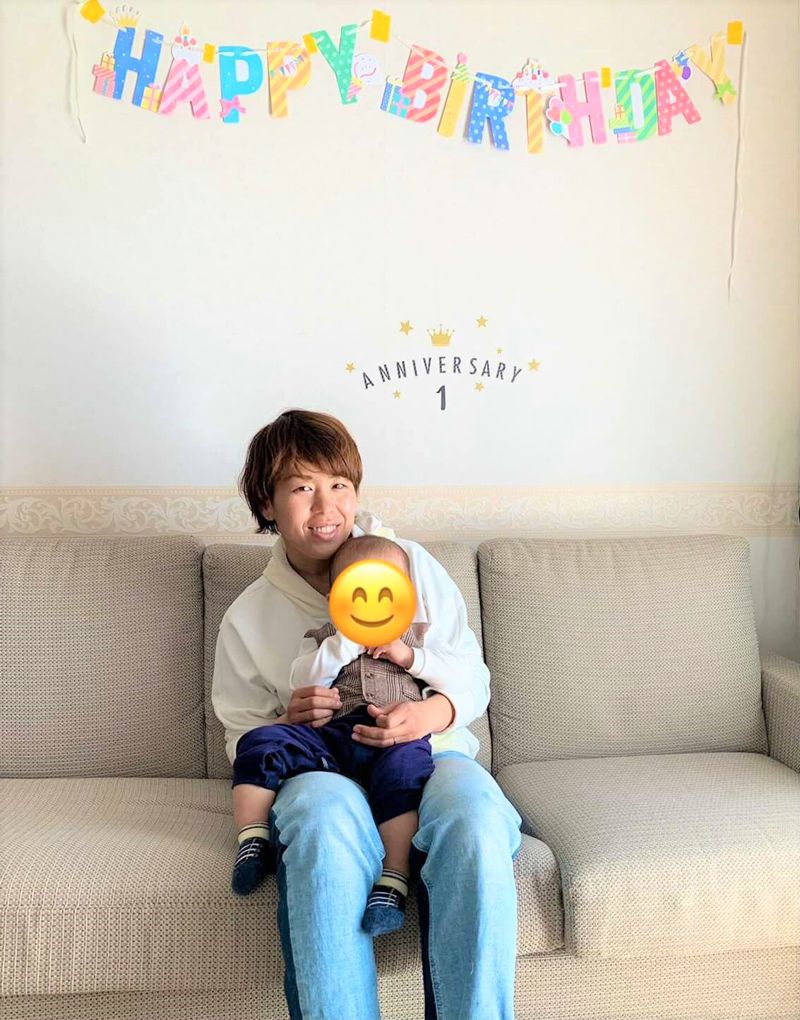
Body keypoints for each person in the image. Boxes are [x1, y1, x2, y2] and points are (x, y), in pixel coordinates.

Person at [211, 408, 523, 1020]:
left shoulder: (411, 566)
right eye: (302, 488)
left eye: (339, 485)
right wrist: (290, 722)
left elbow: (472, 675)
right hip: (321, 768)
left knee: (474, 818)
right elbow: (241, 733)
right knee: (320, 821)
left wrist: (432, 713)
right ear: (267, 503)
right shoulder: (249, 615)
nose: (325, 506)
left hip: (432, 754)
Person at [228, 533, 438, 937]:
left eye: (387, 591)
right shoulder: (322, 637)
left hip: (393, 737)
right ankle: (252, 838)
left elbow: (451, 680)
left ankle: (393, 878)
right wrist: (345, 640)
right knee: (260, 741)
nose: (373, 602)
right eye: (357, 592)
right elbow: (302, 679)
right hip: (331, 737)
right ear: (334, 598)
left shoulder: (416, 636)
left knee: (407, 774)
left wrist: (407, 656)